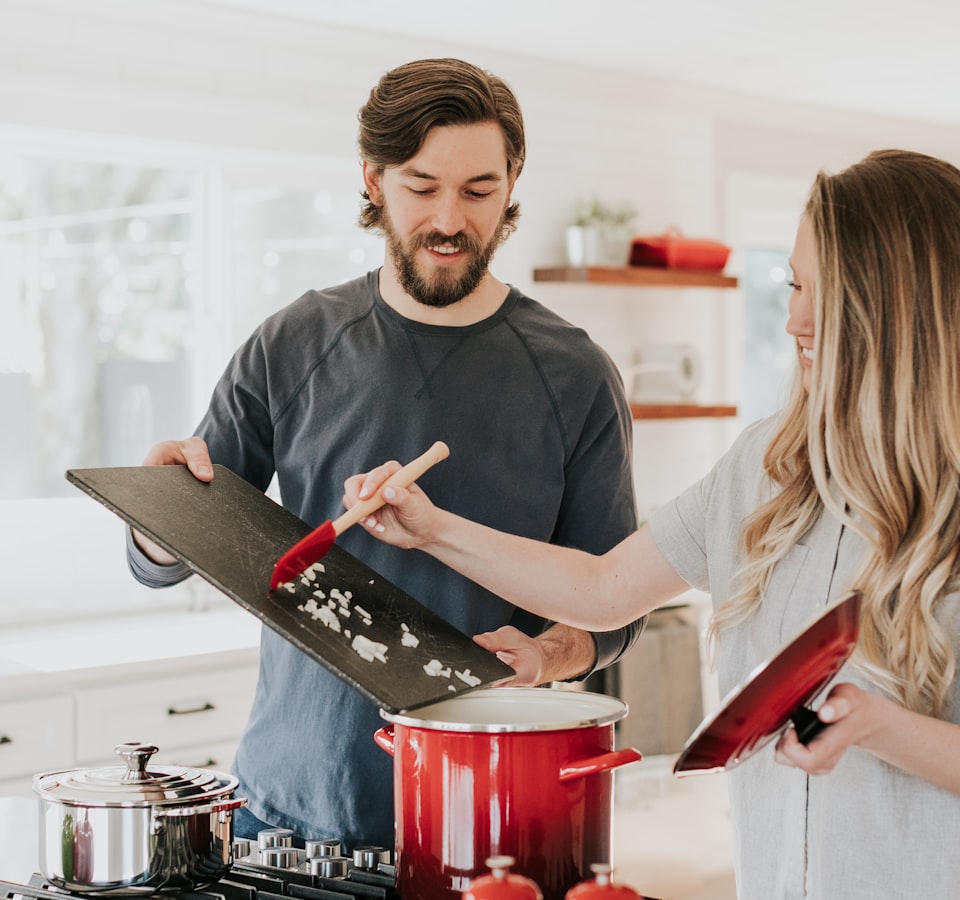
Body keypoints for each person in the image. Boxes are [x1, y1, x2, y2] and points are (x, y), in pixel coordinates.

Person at [347, 149, 960, 898]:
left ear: (905, 307)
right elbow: (605, 586)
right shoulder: (770, 464)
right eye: (792, 286)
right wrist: (431, 528)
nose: (795, 320)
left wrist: (877, 725)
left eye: (825, 294)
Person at [125, 57, 643, 852]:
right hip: (286, 811)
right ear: (372, 179)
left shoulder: (575, 375)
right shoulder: (292, 342)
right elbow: (174, 546)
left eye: (478, 191)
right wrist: (158, 517)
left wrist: (547, 654)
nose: (449, 219)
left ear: (511, 186)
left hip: (489, 817)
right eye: (421, 186)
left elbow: (614, 609)